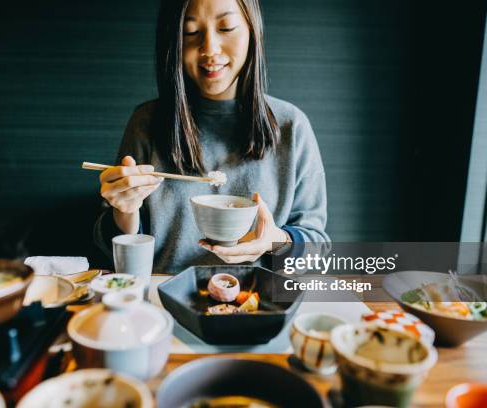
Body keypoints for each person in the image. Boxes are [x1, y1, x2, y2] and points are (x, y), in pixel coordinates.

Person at [94, 0, 329, 274]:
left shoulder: (291, 125)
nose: (210, 49)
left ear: (253, 31)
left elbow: (317, 249)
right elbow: (106, 246)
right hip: (163, 301)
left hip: (256, 306)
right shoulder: (146, 122)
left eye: (226, 27)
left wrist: (274, 242)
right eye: (191, 32)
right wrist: (125, 211)